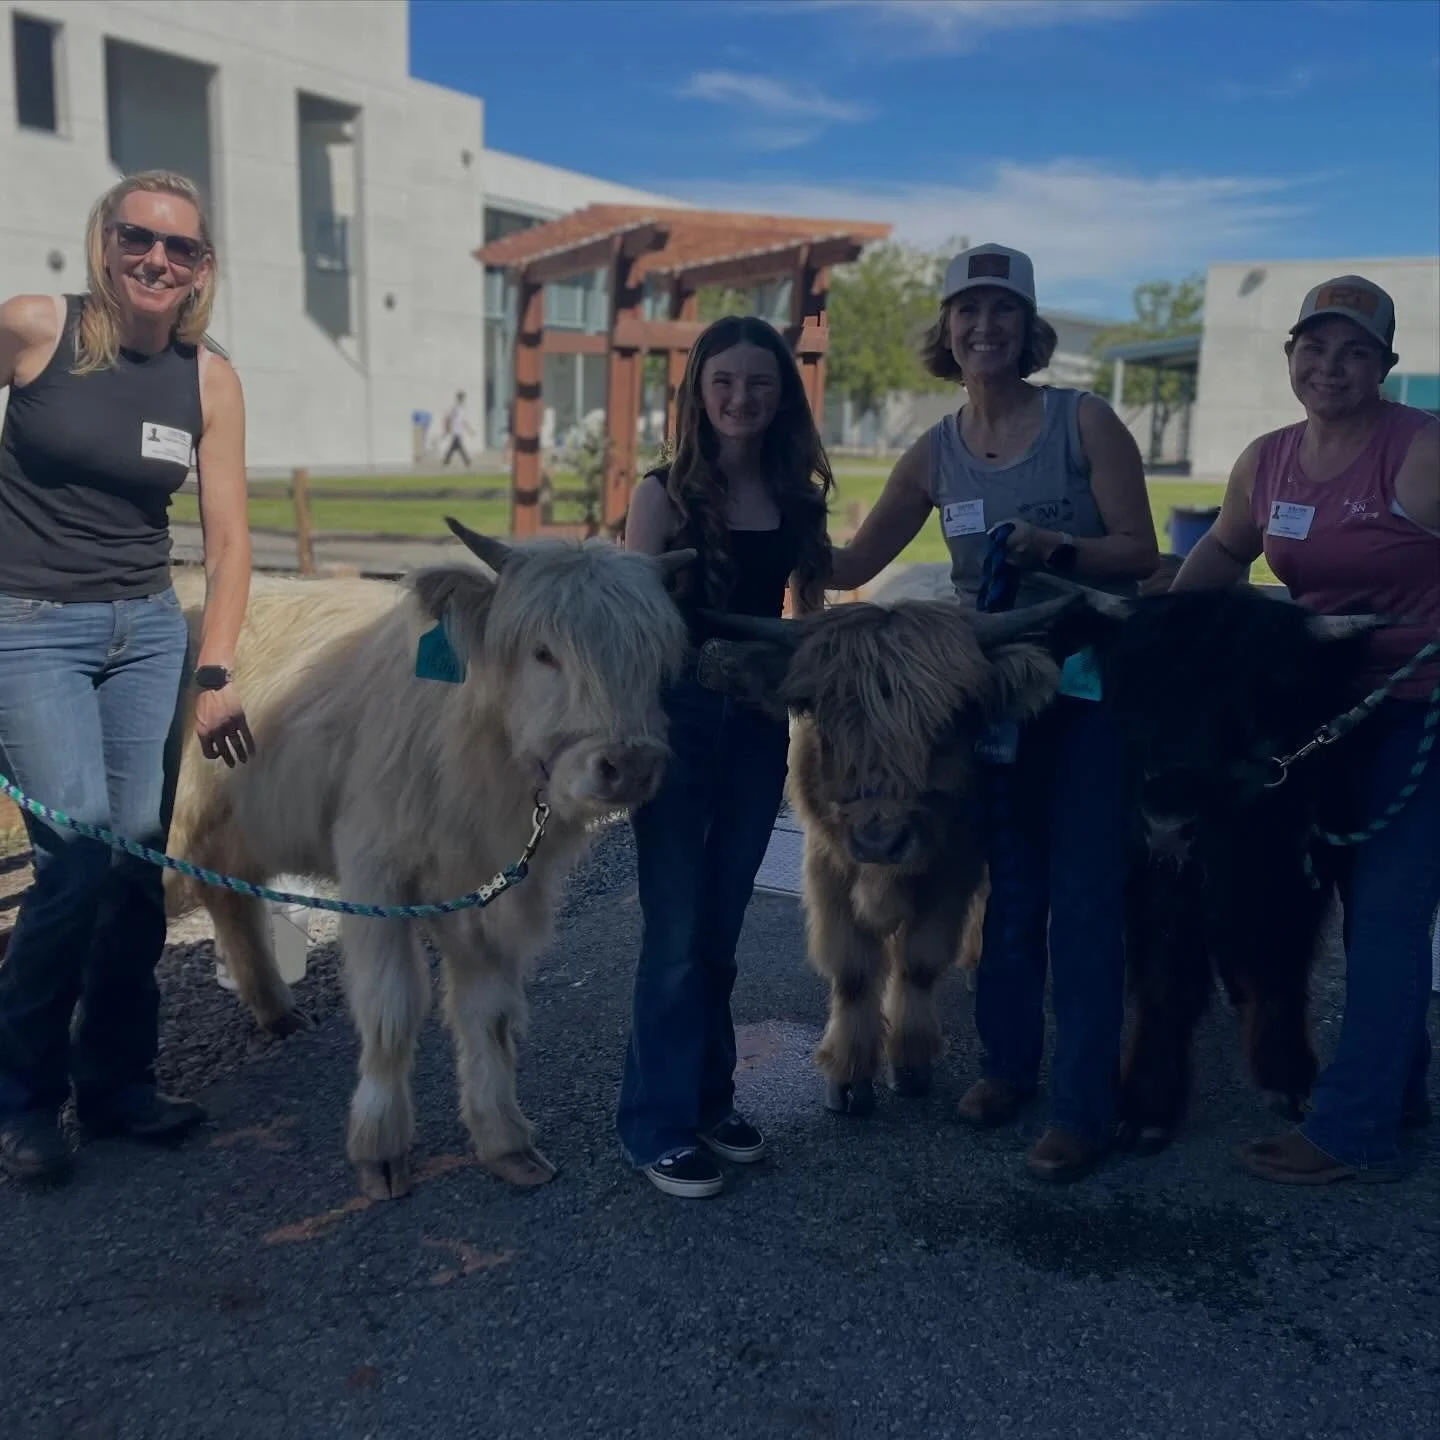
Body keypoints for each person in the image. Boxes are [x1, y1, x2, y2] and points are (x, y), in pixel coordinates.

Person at [827, 243, 1159, 1182]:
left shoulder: (1084, 422)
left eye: (1002, 312)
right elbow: (854, 567)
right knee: (1007, 900)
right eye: (967, 312)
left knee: (1086, 905)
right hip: (991, 707)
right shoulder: (935, 452)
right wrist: (760, 532)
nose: (984, 328)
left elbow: (1137, 553)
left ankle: (1083, 1110)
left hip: (1088, 695)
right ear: (947, 330)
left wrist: (1058, 546)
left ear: (1029, 328)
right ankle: (1007, 1069)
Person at [0, 170, 254, 1184]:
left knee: (136, 861)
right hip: (30, 628)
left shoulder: (207, 379)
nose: (157, 260)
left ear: (202, 268)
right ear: (104, 241)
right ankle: (23, 1098)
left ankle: (116, 1085)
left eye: (179, 248)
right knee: (69, 857)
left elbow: (229, 542)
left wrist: (216, 667)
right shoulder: (32, 328)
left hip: (147, 632)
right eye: (138, 239)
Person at [1167, 274, 1440, 1184]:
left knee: (1388, 915)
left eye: (1355, 351)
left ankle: (1353, 1127)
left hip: (1417, 708)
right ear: (1290, 356)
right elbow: (1222, 551)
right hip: (1318, 718)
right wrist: (1161, 639)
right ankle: (1397, 1090)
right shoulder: (1269, 459)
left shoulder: (1420, 451)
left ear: (1386, 367)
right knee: (1351, 902)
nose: (1332, 366)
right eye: (1315, 348)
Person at [617, 315, 834, 1198]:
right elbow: (635, 624)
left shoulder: (797, 498)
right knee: (674, 933)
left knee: (722, 929)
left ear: (781, 396)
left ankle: (709, 1097)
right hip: (677, 720)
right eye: (724, 383)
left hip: (756, 723)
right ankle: (654, 1123)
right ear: (698, 394)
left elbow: (813, 612)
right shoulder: (661, 495)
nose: (741, 398)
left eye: (760, 383)